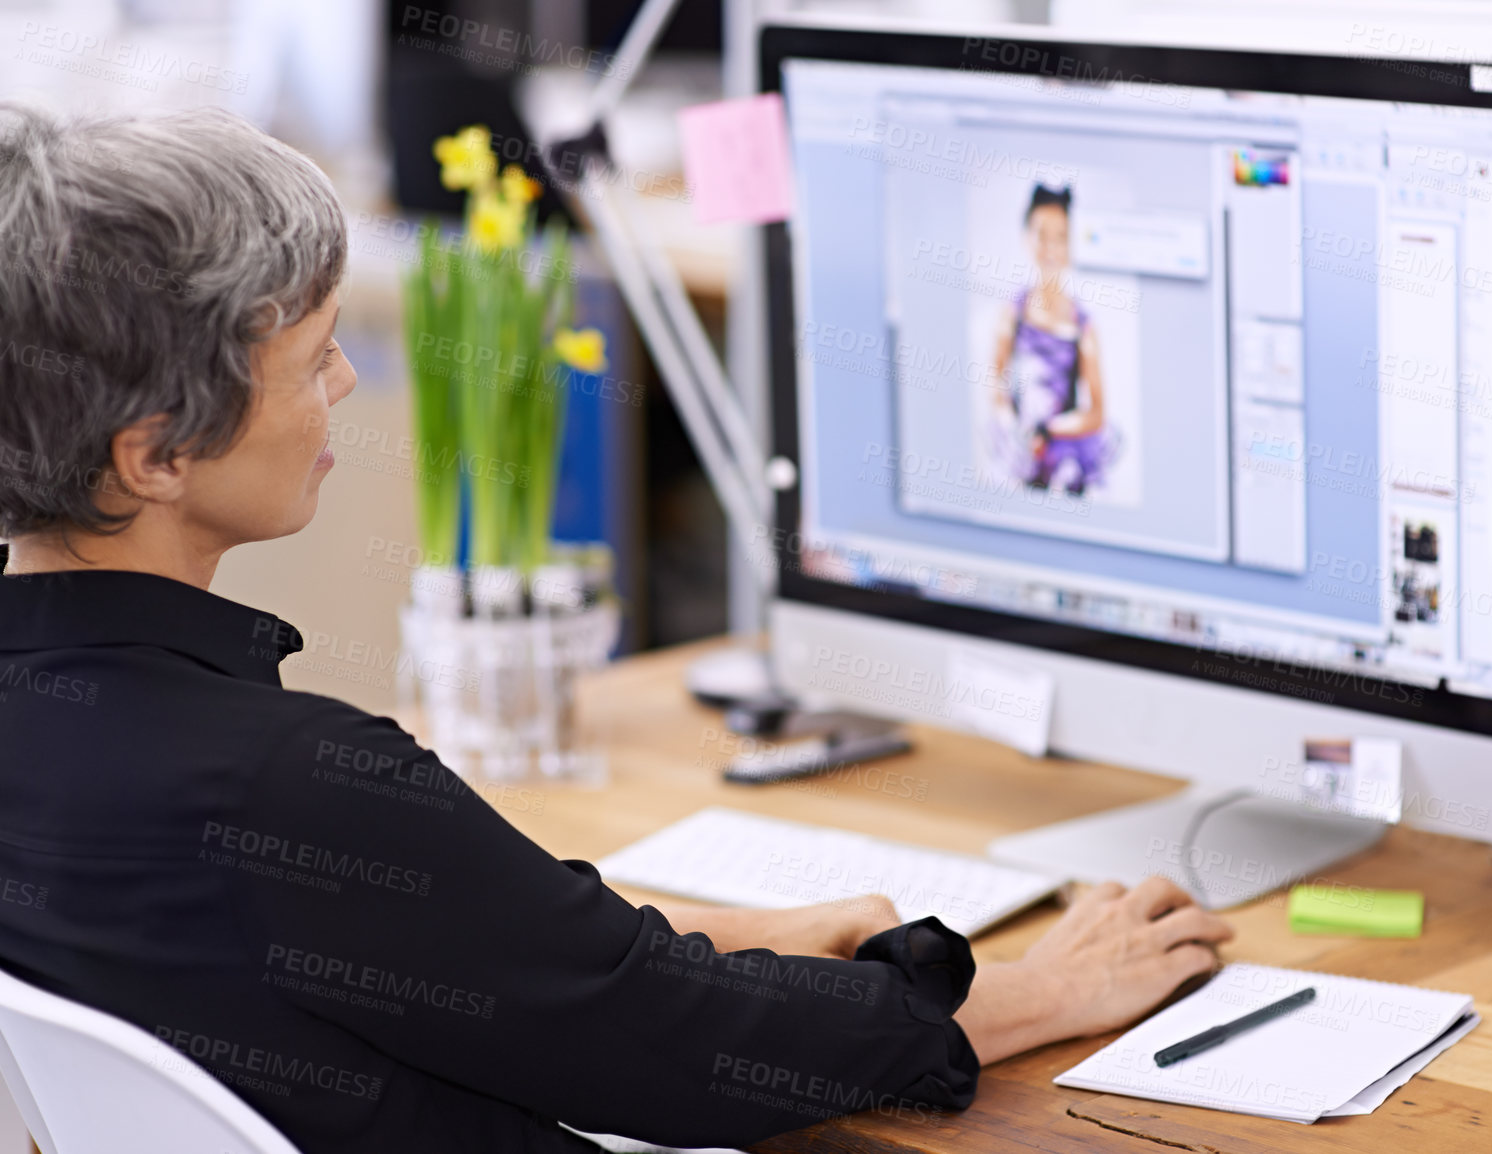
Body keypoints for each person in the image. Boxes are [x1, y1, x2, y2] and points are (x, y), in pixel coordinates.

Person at [0, 105, 1233, 1154]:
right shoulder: (284, 780)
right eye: (315, 358)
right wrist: (1046, 990)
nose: (348, 386)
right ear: (153, 452)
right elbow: (678, 1042)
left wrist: (737, 934)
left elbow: (480, 949)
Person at [988, 184, 1117, 496]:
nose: (1050, 248)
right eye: (1041, 234)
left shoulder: (1082, 326)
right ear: (1026, 237)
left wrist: (1050, 431)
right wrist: (1015, 429)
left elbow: (1096, 412)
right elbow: (996, 384)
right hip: (1021, 453)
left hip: (1064, 455)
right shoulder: (1013, 313)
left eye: (1061, 237)